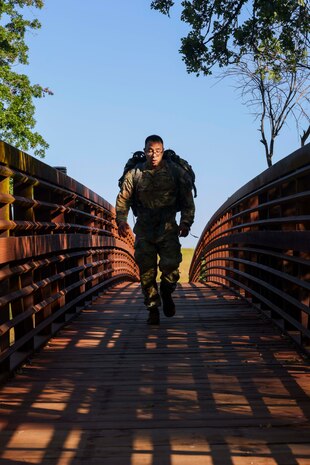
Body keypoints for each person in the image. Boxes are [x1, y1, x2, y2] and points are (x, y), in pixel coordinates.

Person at [116, 135, 195, 325]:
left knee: (171, 267)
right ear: (144, 152)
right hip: (144, 228)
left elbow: (187, 199)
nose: (154, 155)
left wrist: (186, 222)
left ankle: (167, 292)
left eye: (158, 151)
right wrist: (121, 220)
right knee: (146, 272)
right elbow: (123, 198)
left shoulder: (175, 171)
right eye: (150, 151)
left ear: (163, 151)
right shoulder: (135, 173)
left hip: (168, 227)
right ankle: (152, 308)